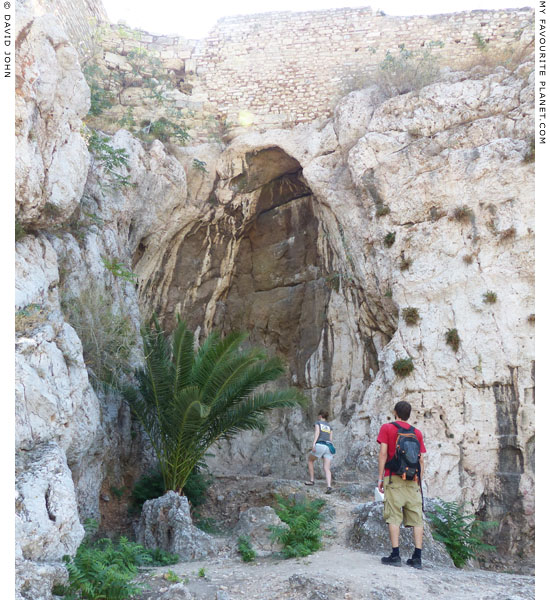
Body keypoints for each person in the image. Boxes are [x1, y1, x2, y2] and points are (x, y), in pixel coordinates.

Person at [377, 400, 426, 569]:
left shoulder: (387, 428)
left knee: (394, 516)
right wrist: (419, 481)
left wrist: (380, 478)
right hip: (413, 481)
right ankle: (417, 558)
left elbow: (383, 454)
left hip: (394, 478)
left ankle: (395, 555)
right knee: (417, 519)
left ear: (395, 412)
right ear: (409, 414)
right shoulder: (417, 433)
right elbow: (420, 460)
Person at [305, 410, 334, 494]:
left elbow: (317, 433)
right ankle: (329, 486)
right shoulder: (329, 426)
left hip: (320, 445)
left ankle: (312, 480)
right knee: (326, 468)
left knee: (310, 460)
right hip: (329, 447)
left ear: (320, 416)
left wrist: (314, 444)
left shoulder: (318, 423)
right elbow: (331, 439)